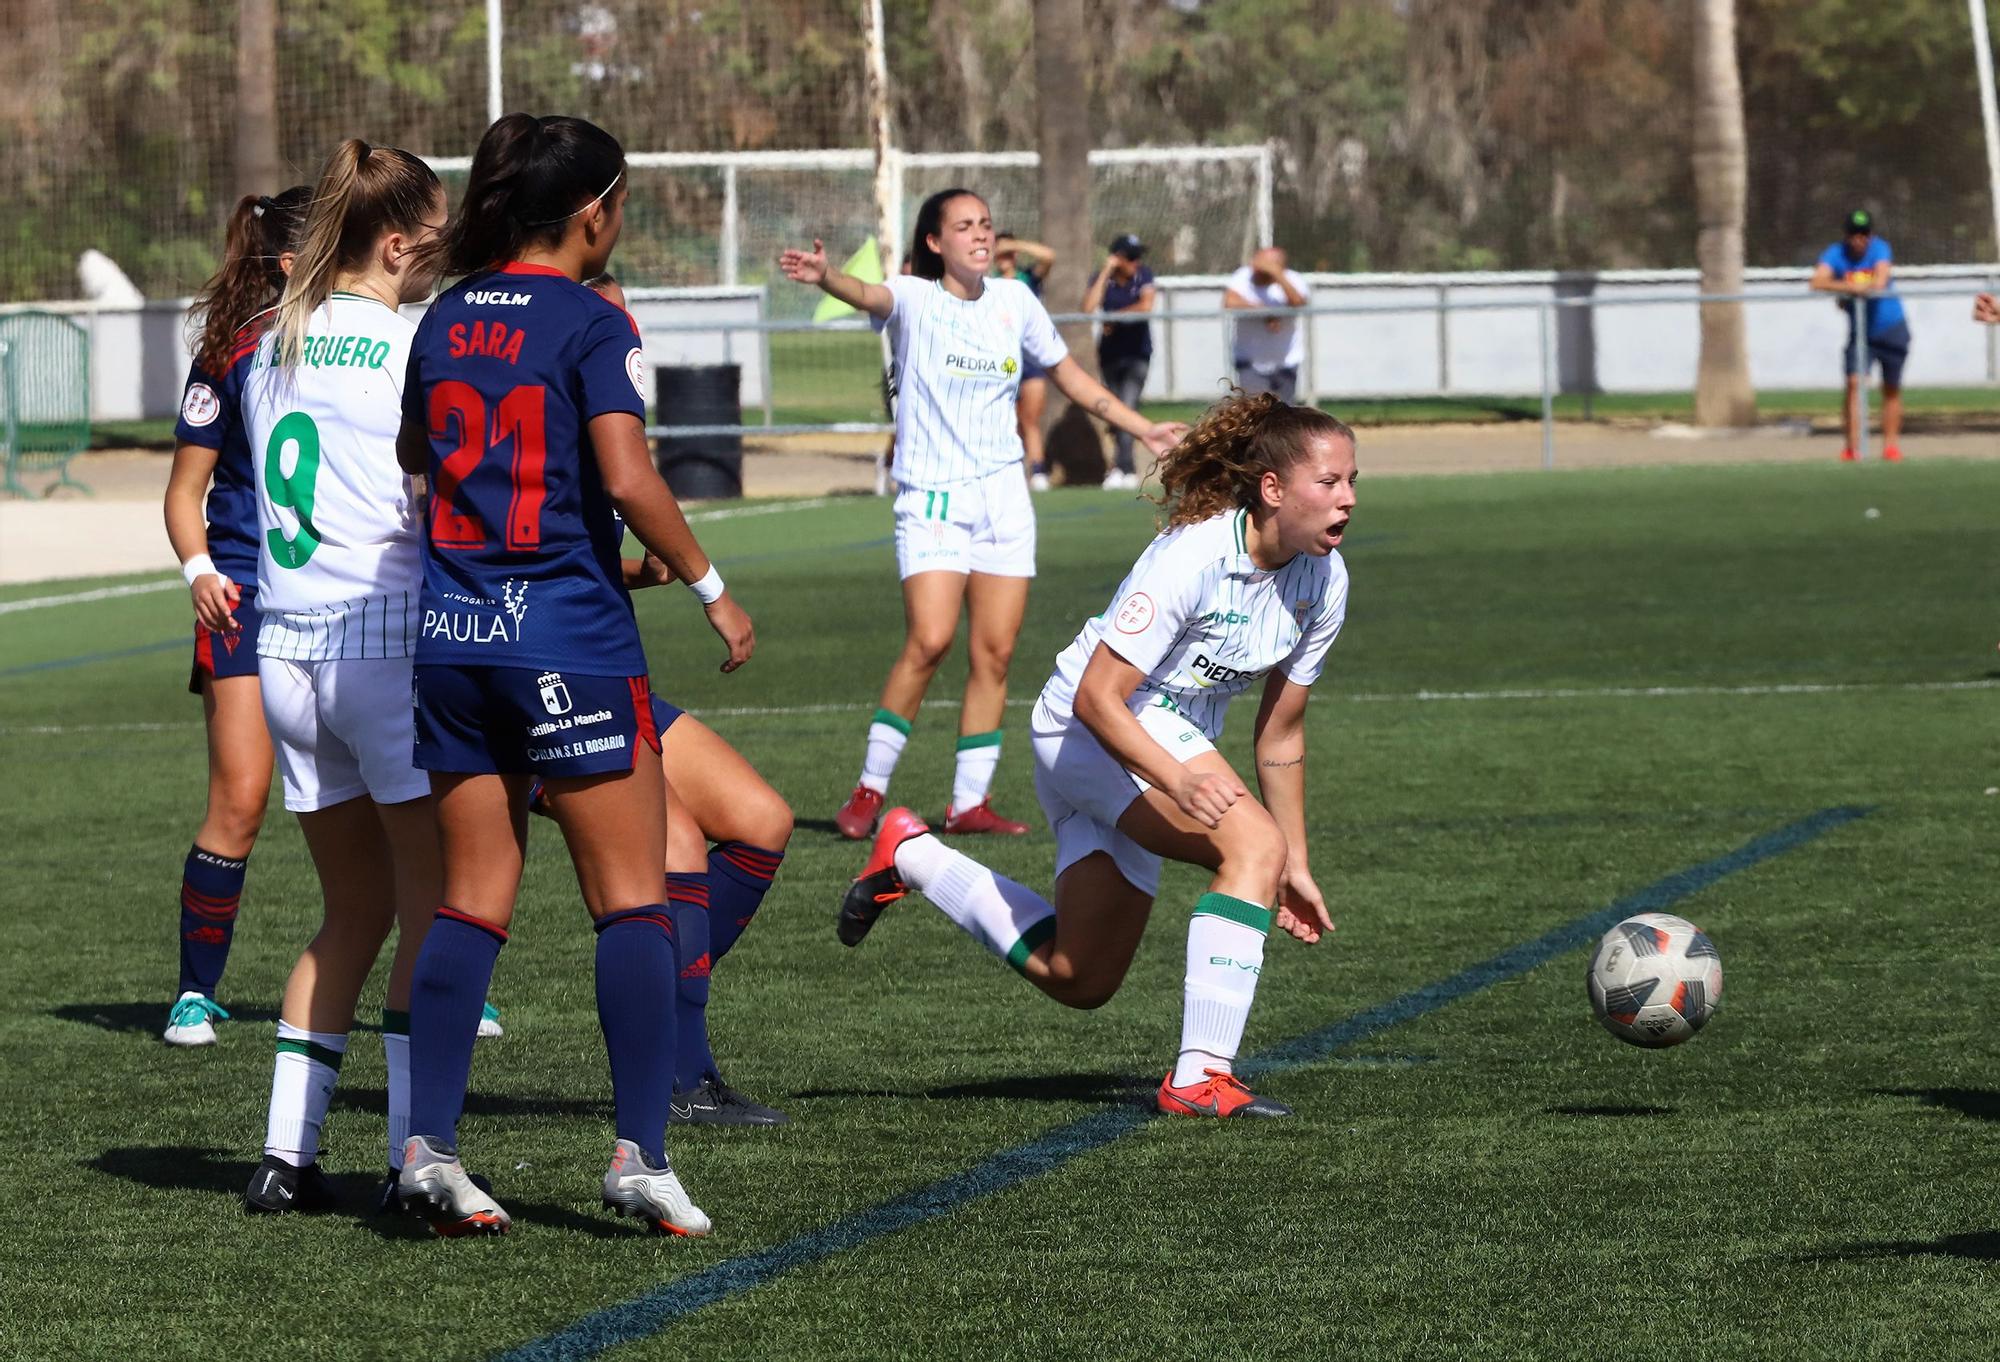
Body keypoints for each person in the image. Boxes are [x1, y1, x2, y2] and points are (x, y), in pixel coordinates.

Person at [396, 113, 754, 1238]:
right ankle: (640, 1156)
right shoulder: (591, 319)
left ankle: (427, 1147)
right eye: (622, 201)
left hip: (453, 639)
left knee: (469, 900)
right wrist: (706, 583)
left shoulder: (445, 314)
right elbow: (627, 474)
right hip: (566, 643)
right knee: (633, 899)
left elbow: (423, 461)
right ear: (591, 210)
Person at [837, 389, 1353, 1119]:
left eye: (1352, 481)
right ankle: (1200, 1077)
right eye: (1328, 482)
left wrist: (1294, 863)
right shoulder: (1196, 554)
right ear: (1273, 489)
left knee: (1080, 976)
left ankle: (911, 854)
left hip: (1154, 741)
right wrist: (1180, 780)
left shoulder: (1325, 581)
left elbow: (1282, 733)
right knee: (1248, 846)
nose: (1347, 498)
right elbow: (1097, 696)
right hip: (1088, 730)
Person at [780, 188, 1185, 843]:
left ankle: (969, 801)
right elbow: (870, 295)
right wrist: (827, 276)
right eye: (963, 226)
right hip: (932, 496)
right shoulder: (913, 296)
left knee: (993, 655)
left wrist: (1144, 430)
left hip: (1003, 502)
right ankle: (869, 789)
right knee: (930, 641)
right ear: (935, 242)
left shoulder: (1016, 302)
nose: (978, 235)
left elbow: (1072, 379)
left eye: (985, 225)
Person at [234, 139, 449, 1213]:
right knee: (433, 901)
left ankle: (285, 1156)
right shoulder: (411, 342)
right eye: (435, 235)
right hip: (380, 635)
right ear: (398, 242)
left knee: (347, 909)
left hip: (283, 650)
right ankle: (415, 1157)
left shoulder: (271, 339)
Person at [161, 185, 309, 1047]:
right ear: (292, 259)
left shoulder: (374, 344)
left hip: (350, 601)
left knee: (389, 795)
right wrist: (199, 570)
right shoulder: (234, 352)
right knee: (242, 796)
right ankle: (195, 991)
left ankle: (437, 980)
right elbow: (184, 492)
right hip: (246, 598)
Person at [1810, 209, 1910, 462]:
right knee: (1854, 385)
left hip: (1892, 328)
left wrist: (1849, 292)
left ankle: (1890, 447)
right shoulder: (1836, 253)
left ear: (1871, 235)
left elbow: (1879, 282)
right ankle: (1852, 449)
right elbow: (1817, 281)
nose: (1859, 239)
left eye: (1864, 234)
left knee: (1891, 389)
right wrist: (1849, 288)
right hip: (1860, 334)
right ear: (1847, 235)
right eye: (1854, 234)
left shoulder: (1880, 249)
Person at [1082, 234, 1158, 490]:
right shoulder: (1103, 279)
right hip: (1111, 356)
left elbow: (1146, 305)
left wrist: (1115, 317)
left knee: (1127, 406)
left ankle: (1125, 467)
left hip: (1137, 355)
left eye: (1138, 257)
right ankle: (1121, 467)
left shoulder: (1144, 276)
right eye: (1130, 257)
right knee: (1114, 413)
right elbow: (1088, 307)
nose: (1136, 262)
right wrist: (1106, 271)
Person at [994, 232, 1057, 490]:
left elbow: (1049, 256)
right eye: (999, 252)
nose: (1003, 257)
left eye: (1007, 253)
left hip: (1028, 359)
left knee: (1030, 418)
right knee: (1006, 418)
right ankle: (1011, 470)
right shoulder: (989, 283)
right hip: (1001, 360)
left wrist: (1015, 244)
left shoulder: (1027, 278)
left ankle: (1038, 470)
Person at [1224, 246, 1310, 402]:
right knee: (1255, 412)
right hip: (1250, 362)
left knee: (1284, 413)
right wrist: (1264, 312)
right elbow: (1230, 302)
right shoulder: (1243, 277)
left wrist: (1278, 275)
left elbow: (1298, 303)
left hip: (1286, 361)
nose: (1256, 267)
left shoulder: (1293, 279)